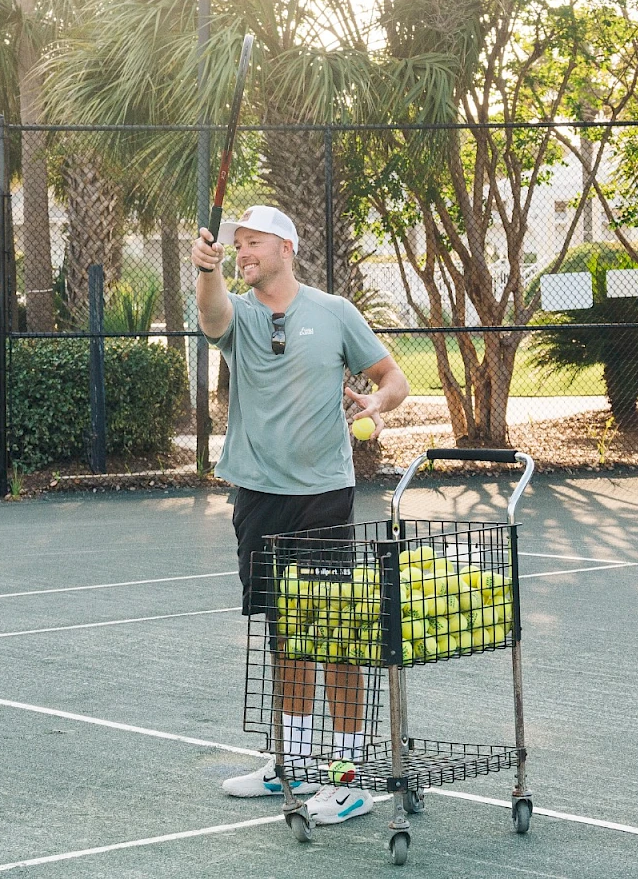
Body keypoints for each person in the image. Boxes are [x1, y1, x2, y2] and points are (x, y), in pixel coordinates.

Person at [192, 205, 409, 826]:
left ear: (287, 245)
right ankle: (290, 762)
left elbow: (392, 377)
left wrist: (376, 399)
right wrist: (206, 270)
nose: (243, 253)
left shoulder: (335, 313)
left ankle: (346, 777)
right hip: (257, 496)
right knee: (284, 634)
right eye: (237, 247)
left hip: (322, 497)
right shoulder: (241, 312)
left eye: (253, 243)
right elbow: (212, 317)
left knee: (335, 634)